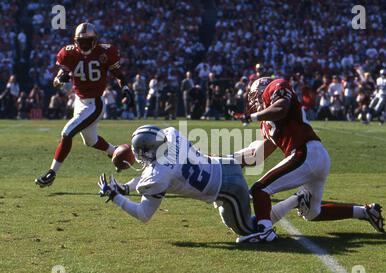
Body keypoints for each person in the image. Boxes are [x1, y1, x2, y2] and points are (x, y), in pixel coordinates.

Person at [236, 77, 384, 243]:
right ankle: (365, 212)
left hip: (305, 152)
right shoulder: (266, 123)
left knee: (259, 190)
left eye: (255, 95)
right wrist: (229, 161)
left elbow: (282, 108)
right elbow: (258, 154)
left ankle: (265, 231)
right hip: (313, 157)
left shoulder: (275, 86)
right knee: (313, 213)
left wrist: (252, 117)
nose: (253, 100)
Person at [97, 125, 256, 237]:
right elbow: (159, 170)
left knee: (249, 233)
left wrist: (115, 197)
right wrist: (125, 188)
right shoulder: (172, 135)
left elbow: (143, 214)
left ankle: (267, 227)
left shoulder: (158, 175)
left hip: (228, 188)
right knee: (230, 219)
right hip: (224, 163)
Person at [35, 22, 134, 188]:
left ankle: (52, 173)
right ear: (76, 41)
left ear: (95, 41)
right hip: (79, 102)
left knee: (67, 133)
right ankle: (117, 153)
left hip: (95, 103)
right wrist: (60, 80)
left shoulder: (105, 52)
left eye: (88, 41)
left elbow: (119, 75)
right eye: (82, 41)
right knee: (91, 141)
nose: (85, 45)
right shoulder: (68, 53)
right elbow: (56, 81)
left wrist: (125, 88)